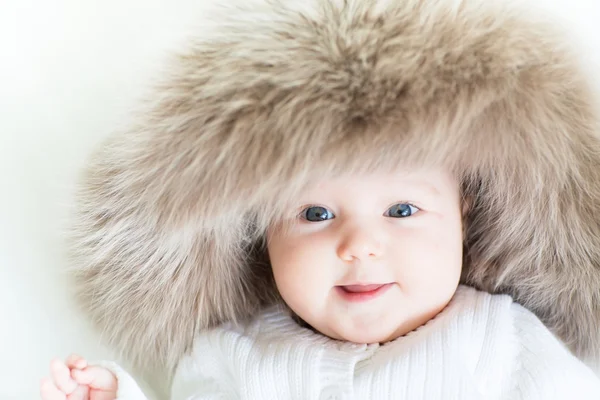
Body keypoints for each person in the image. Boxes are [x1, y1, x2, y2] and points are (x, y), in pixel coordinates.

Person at [40, 0, 600, 398]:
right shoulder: (234, 356)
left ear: (464, 213)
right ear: (258, 229)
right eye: (315, 214)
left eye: (402, 210)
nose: (359, 246)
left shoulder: (502, 341)